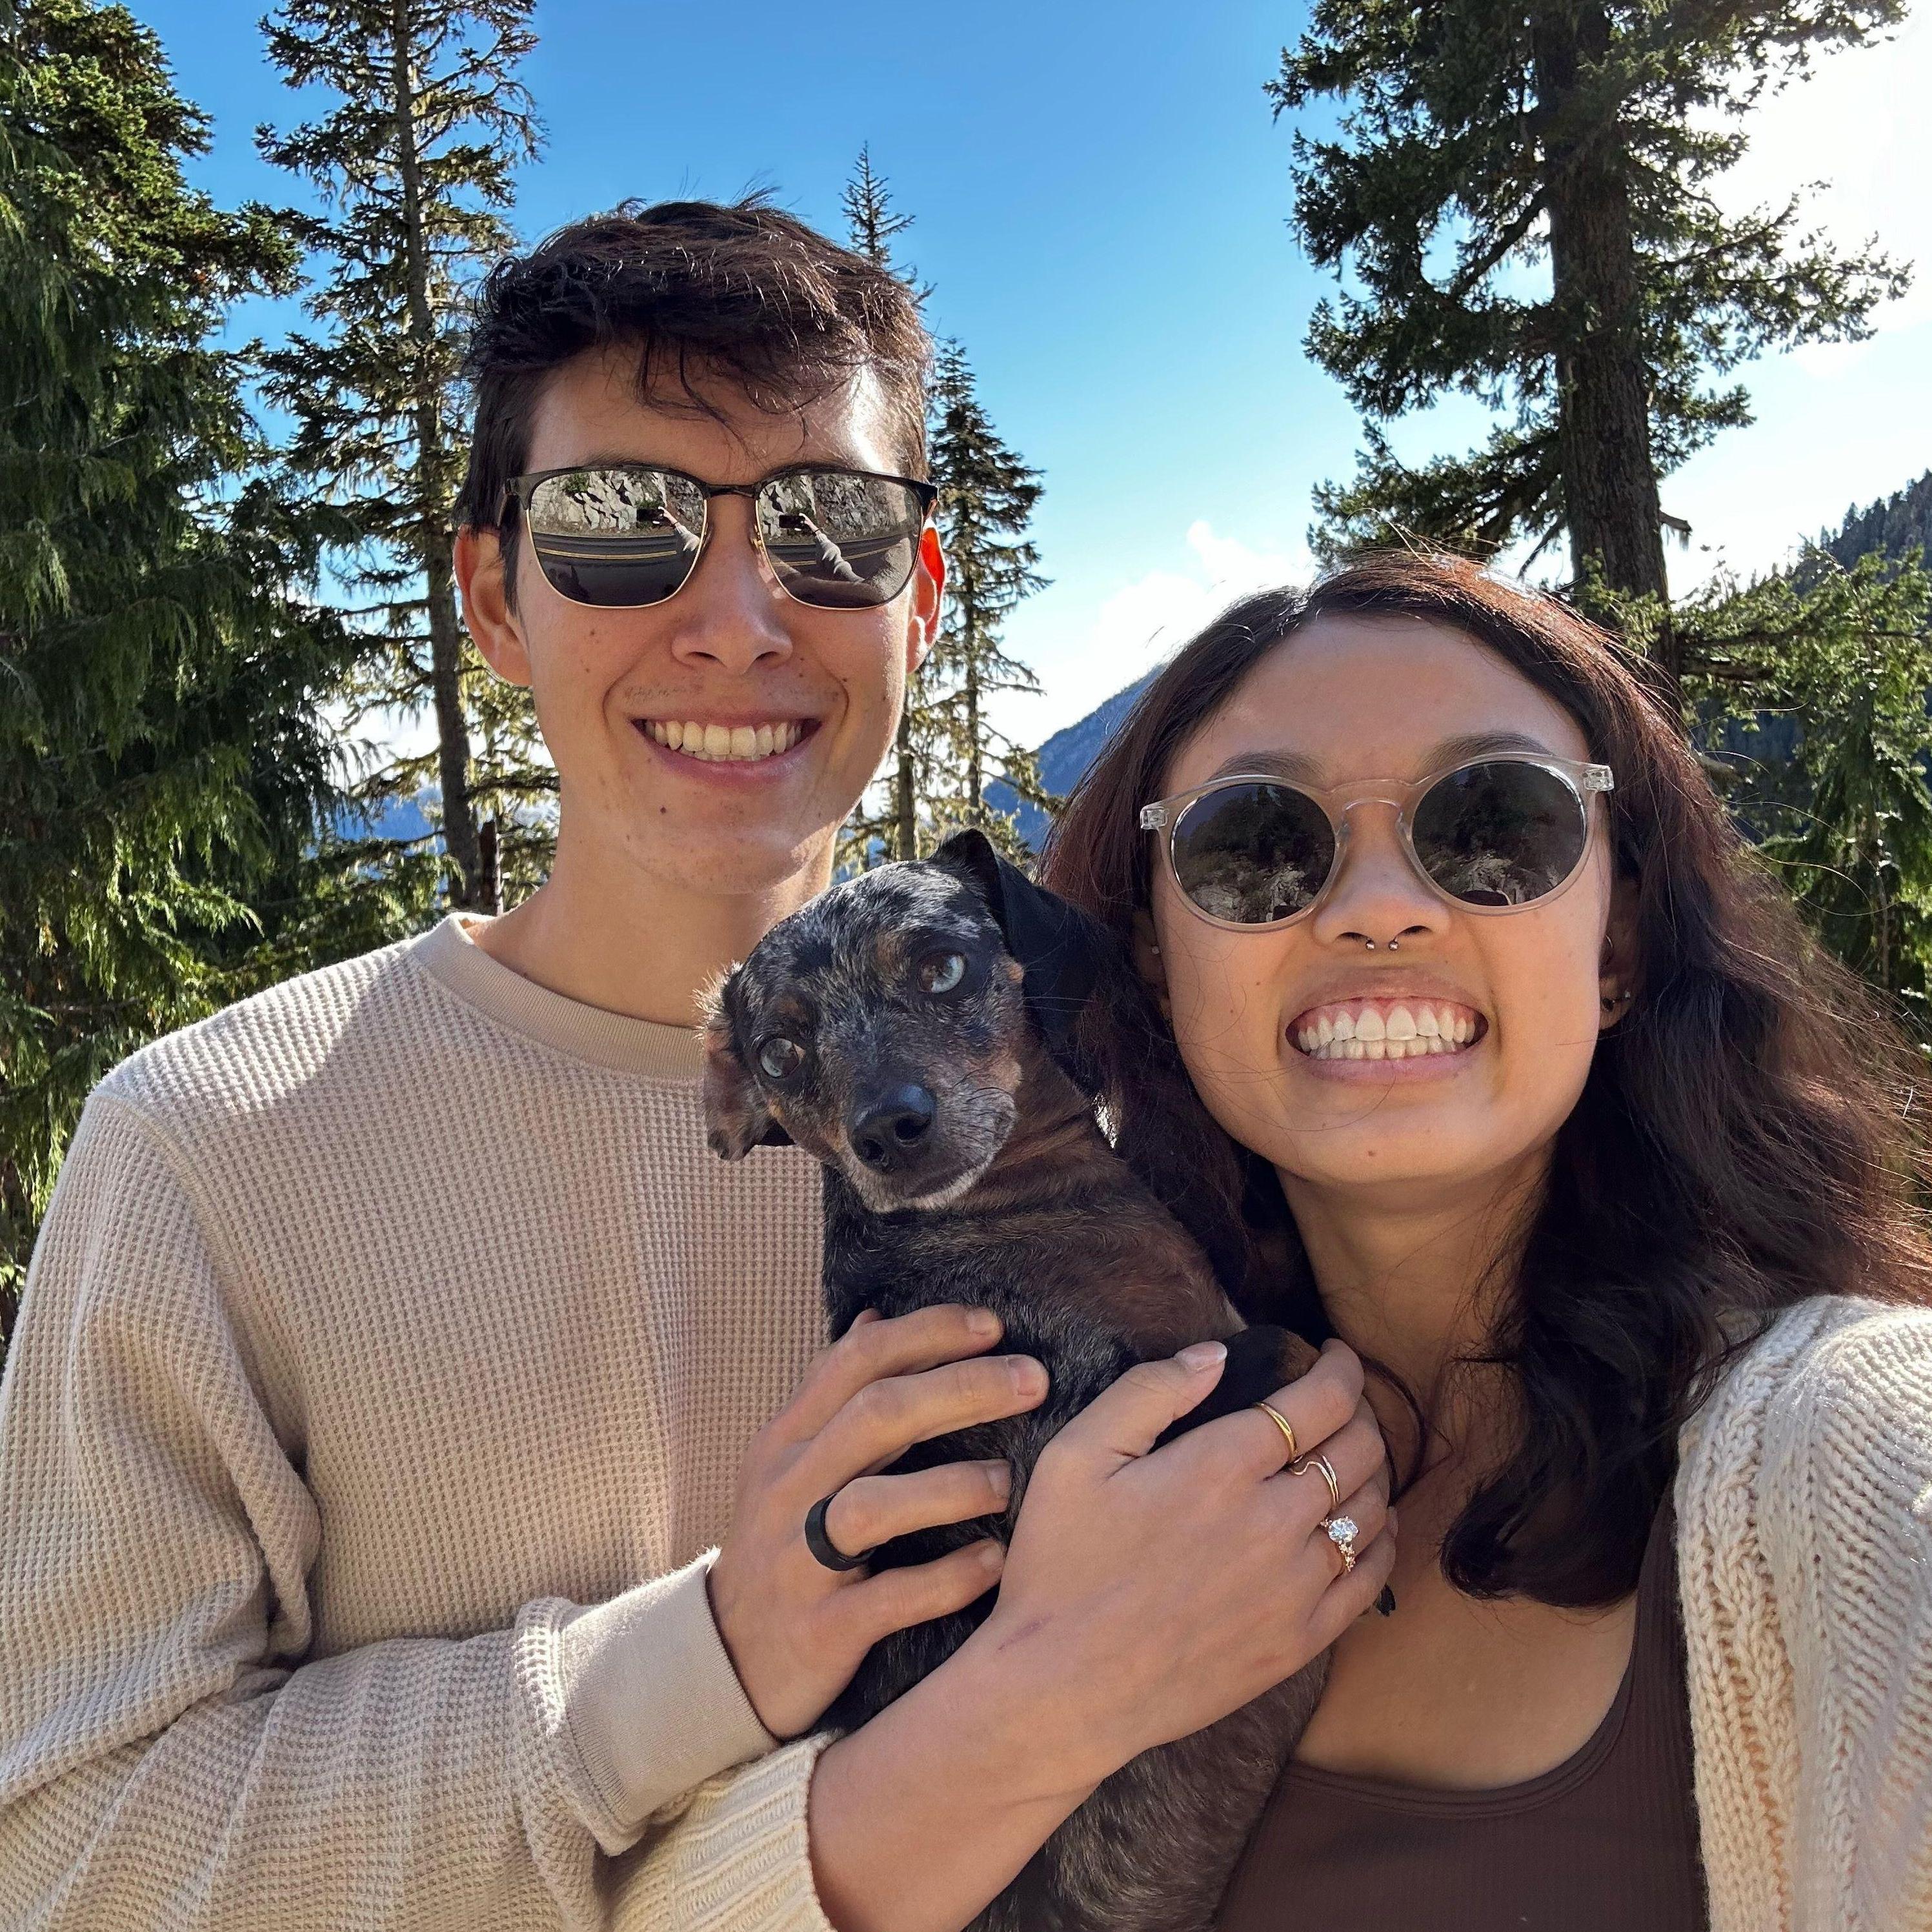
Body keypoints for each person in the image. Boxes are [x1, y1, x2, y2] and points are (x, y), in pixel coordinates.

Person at [0, 198, 1391, 1932]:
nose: (737, 618)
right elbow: (72, 1861)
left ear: (919, 596)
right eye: (616, 525)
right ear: (494, 597)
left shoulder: (1126, 1096)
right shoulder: (212, 1152)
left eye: (829, 527)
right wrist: (714, 1654)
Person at [1041, 550, 1932, 1931]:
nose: (1379, 906)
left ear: (1617, 940)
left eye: (1496, 822)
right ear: (1155, 953)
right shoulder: (1078, 1480)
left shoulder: (1847, 1447)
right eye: (1256, 843)